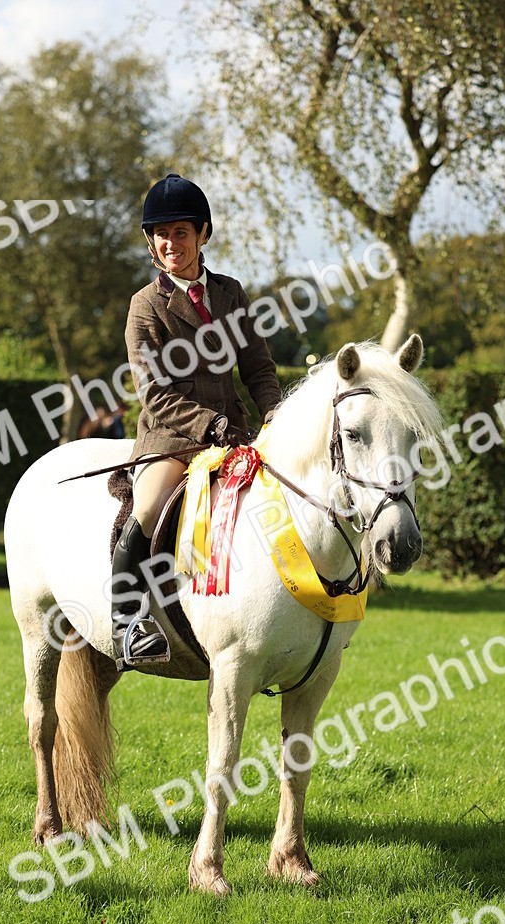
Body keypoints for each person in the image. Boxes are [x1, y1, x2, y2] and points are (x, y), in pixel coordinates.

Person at [111, 173, 282, 669]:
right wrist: (210, 425)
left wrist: (272, 413)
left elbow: (258, 368)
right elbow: (154, 394)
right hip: (172, 439)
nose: (170, 244)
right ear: (151, 242)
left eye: (180, 232)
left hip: (236, 435)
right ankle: (128, 623)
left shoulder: (231, 294)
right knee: (147, 510)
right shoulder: (145, 306)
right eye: (160, 235)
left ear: (203, 233)